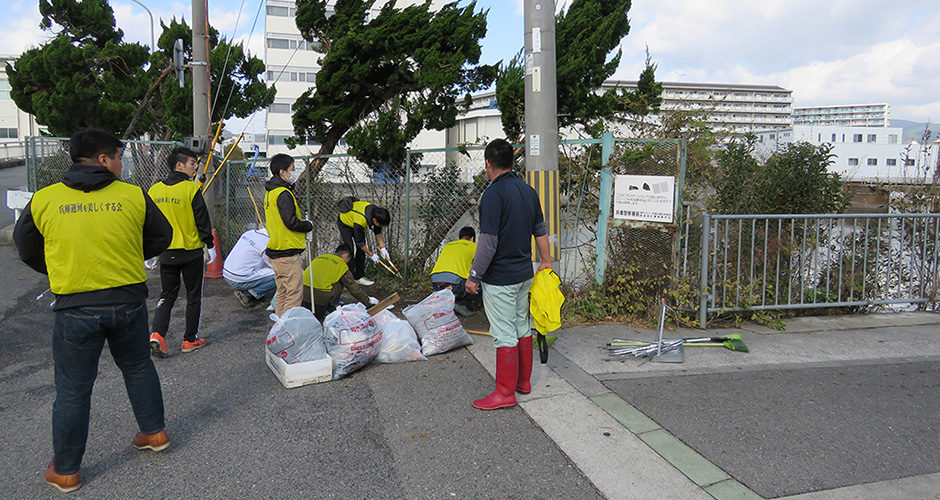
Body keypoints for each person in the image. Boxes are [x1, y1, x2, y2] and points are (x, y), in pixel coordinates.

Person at [13, 128, 174, 492]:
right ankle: (154, 432)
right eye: (119, 157)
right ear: (103, 159)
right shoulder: (133, 196)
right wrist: (125, 255)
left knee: (72, 389)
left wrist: (62, 265)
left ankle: (67, 470)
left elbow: (26, 248)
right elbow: (161, 237)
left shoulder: (45, 199)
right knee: (137, 367)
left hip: (75, 306)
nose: (121, 164)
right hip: (128, 302)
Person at [466, 138, 552, 411]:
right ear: (513, 163)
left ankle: (504, 393)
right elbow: (540, 229)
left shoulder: (492, 195)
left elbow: (488, 242)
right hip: (524, 273)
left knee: (504, 333)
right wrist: (546, 261)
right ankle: (522, 382)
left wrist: (473, 276)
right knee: (521, 326)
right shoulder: (528, 191)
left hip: (500, 278)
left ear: (488, 164)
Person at [148, 146, 215, 358]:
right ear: (180, 165)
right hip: (191, 252)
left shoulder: (154, 191)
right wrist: (210, 245)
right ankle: (189, 339)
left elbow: (147, 223)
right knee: (193, 296)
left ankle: (157, 334)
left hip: (165, 253)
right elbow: (202, 221)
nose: (195, 167)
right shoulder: (191, 189)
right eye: (192, 163)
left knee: (167, 295)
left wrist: (149, 250)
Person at [264, 153, 314, 317]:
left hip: (276, 249)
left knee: (282, 291)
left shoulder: (270, 193)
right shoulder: (283, 194)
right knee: (294, 293)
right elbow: (291, 222)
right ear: (282, 172)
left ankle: (279, 327)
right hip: (287, 251)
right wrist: (308, 225)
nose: (294, 172)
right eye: (292, 169)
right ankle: (288, 331)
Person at [302, 244, 379, 321]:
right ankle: (333, 307)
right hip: (321, 298)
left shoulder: (320, 258)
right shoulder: (341, 264)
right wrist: (367, 301)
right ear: (346, 255)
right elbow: (352, 287)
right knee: (342, 281)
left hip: (303, 294)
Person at [336, 196, 391, 286]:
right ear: (374, 220)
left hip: (355, 220)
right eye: (381, 225)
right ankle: (348, 279)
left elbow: (378, 232)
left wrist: (383, 248)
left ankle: (359, 277)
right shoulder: (361, 221)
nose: (381, 227)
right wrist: (371, 255)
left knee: (361, 251)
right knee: (349, 249)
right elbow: (360, 242)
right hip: (345, 223)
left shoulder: (377, 214)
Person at [430, 226, 479, 317]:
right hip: (454, 283)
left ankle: (447, 302)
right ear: (472, 238)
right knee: (479, 285)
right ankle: (459, 304)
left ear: (459, 238)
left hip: (435, 281)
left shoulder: (448, 245)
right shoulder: (474, 247)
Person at [223, 227, 276, 309]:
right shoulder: (266, 243)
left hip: (227, 273)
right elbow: (277, 266)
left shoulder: (250, 233)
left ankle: (248, 290)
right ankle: (249, 294)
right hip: (239, 278)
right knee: (279, 275)